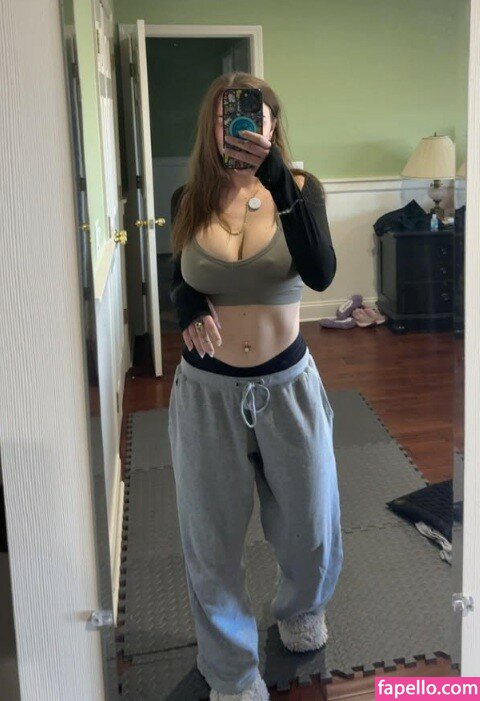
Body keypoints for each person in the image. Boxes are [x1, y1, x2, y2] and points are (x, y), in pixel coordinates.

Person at [168, 72, 343, 701]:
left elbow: (321, 272)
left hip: (287, 387)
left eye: (251, 114)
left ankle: (301, 607)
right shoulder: (188, 198)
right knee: (210, 539)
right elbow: (181, 274)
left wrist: (276, 182)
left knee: (310, 522)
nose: (237, 125)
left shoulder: (301, 188)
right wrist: (187, 303)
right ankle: (230, 669)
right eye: (226, 115)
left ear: (271, 123)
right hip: (206, 392)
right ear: (210, 127)